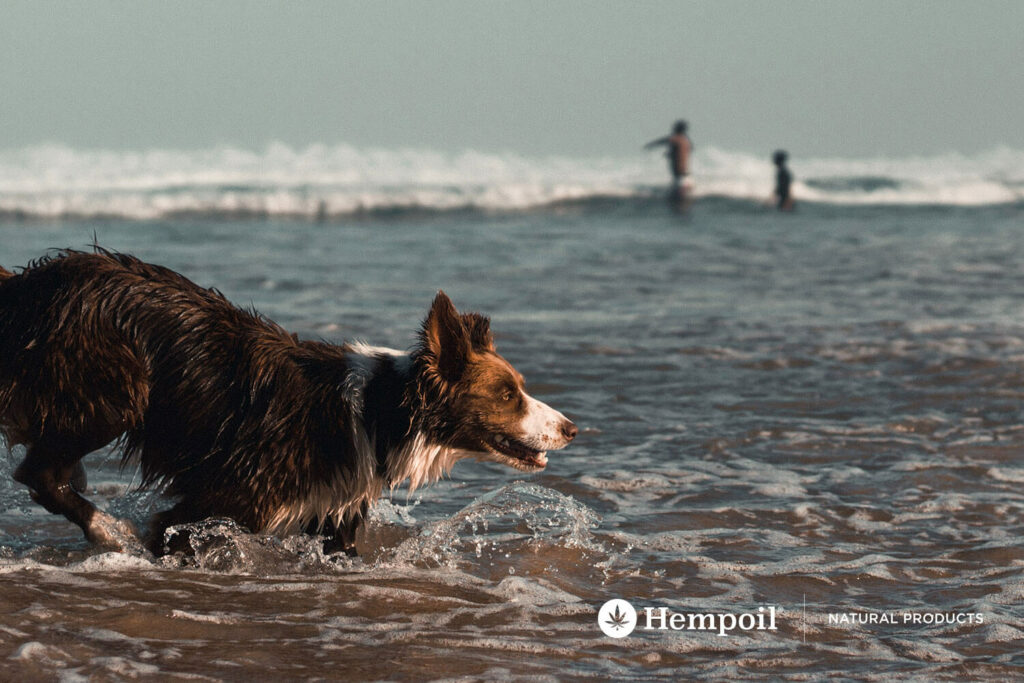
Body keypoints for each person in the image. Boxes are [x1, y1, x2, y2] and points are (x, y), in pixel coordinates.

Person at [645, 120, 692, 202]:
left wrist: (650, 145)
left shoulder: (677, 138)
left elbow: (664, 140)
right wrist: (671, 153)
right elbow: (683, 152)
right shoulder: (685, 141)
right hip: (684, 177)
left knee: (679, 202)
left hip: (680, 178)